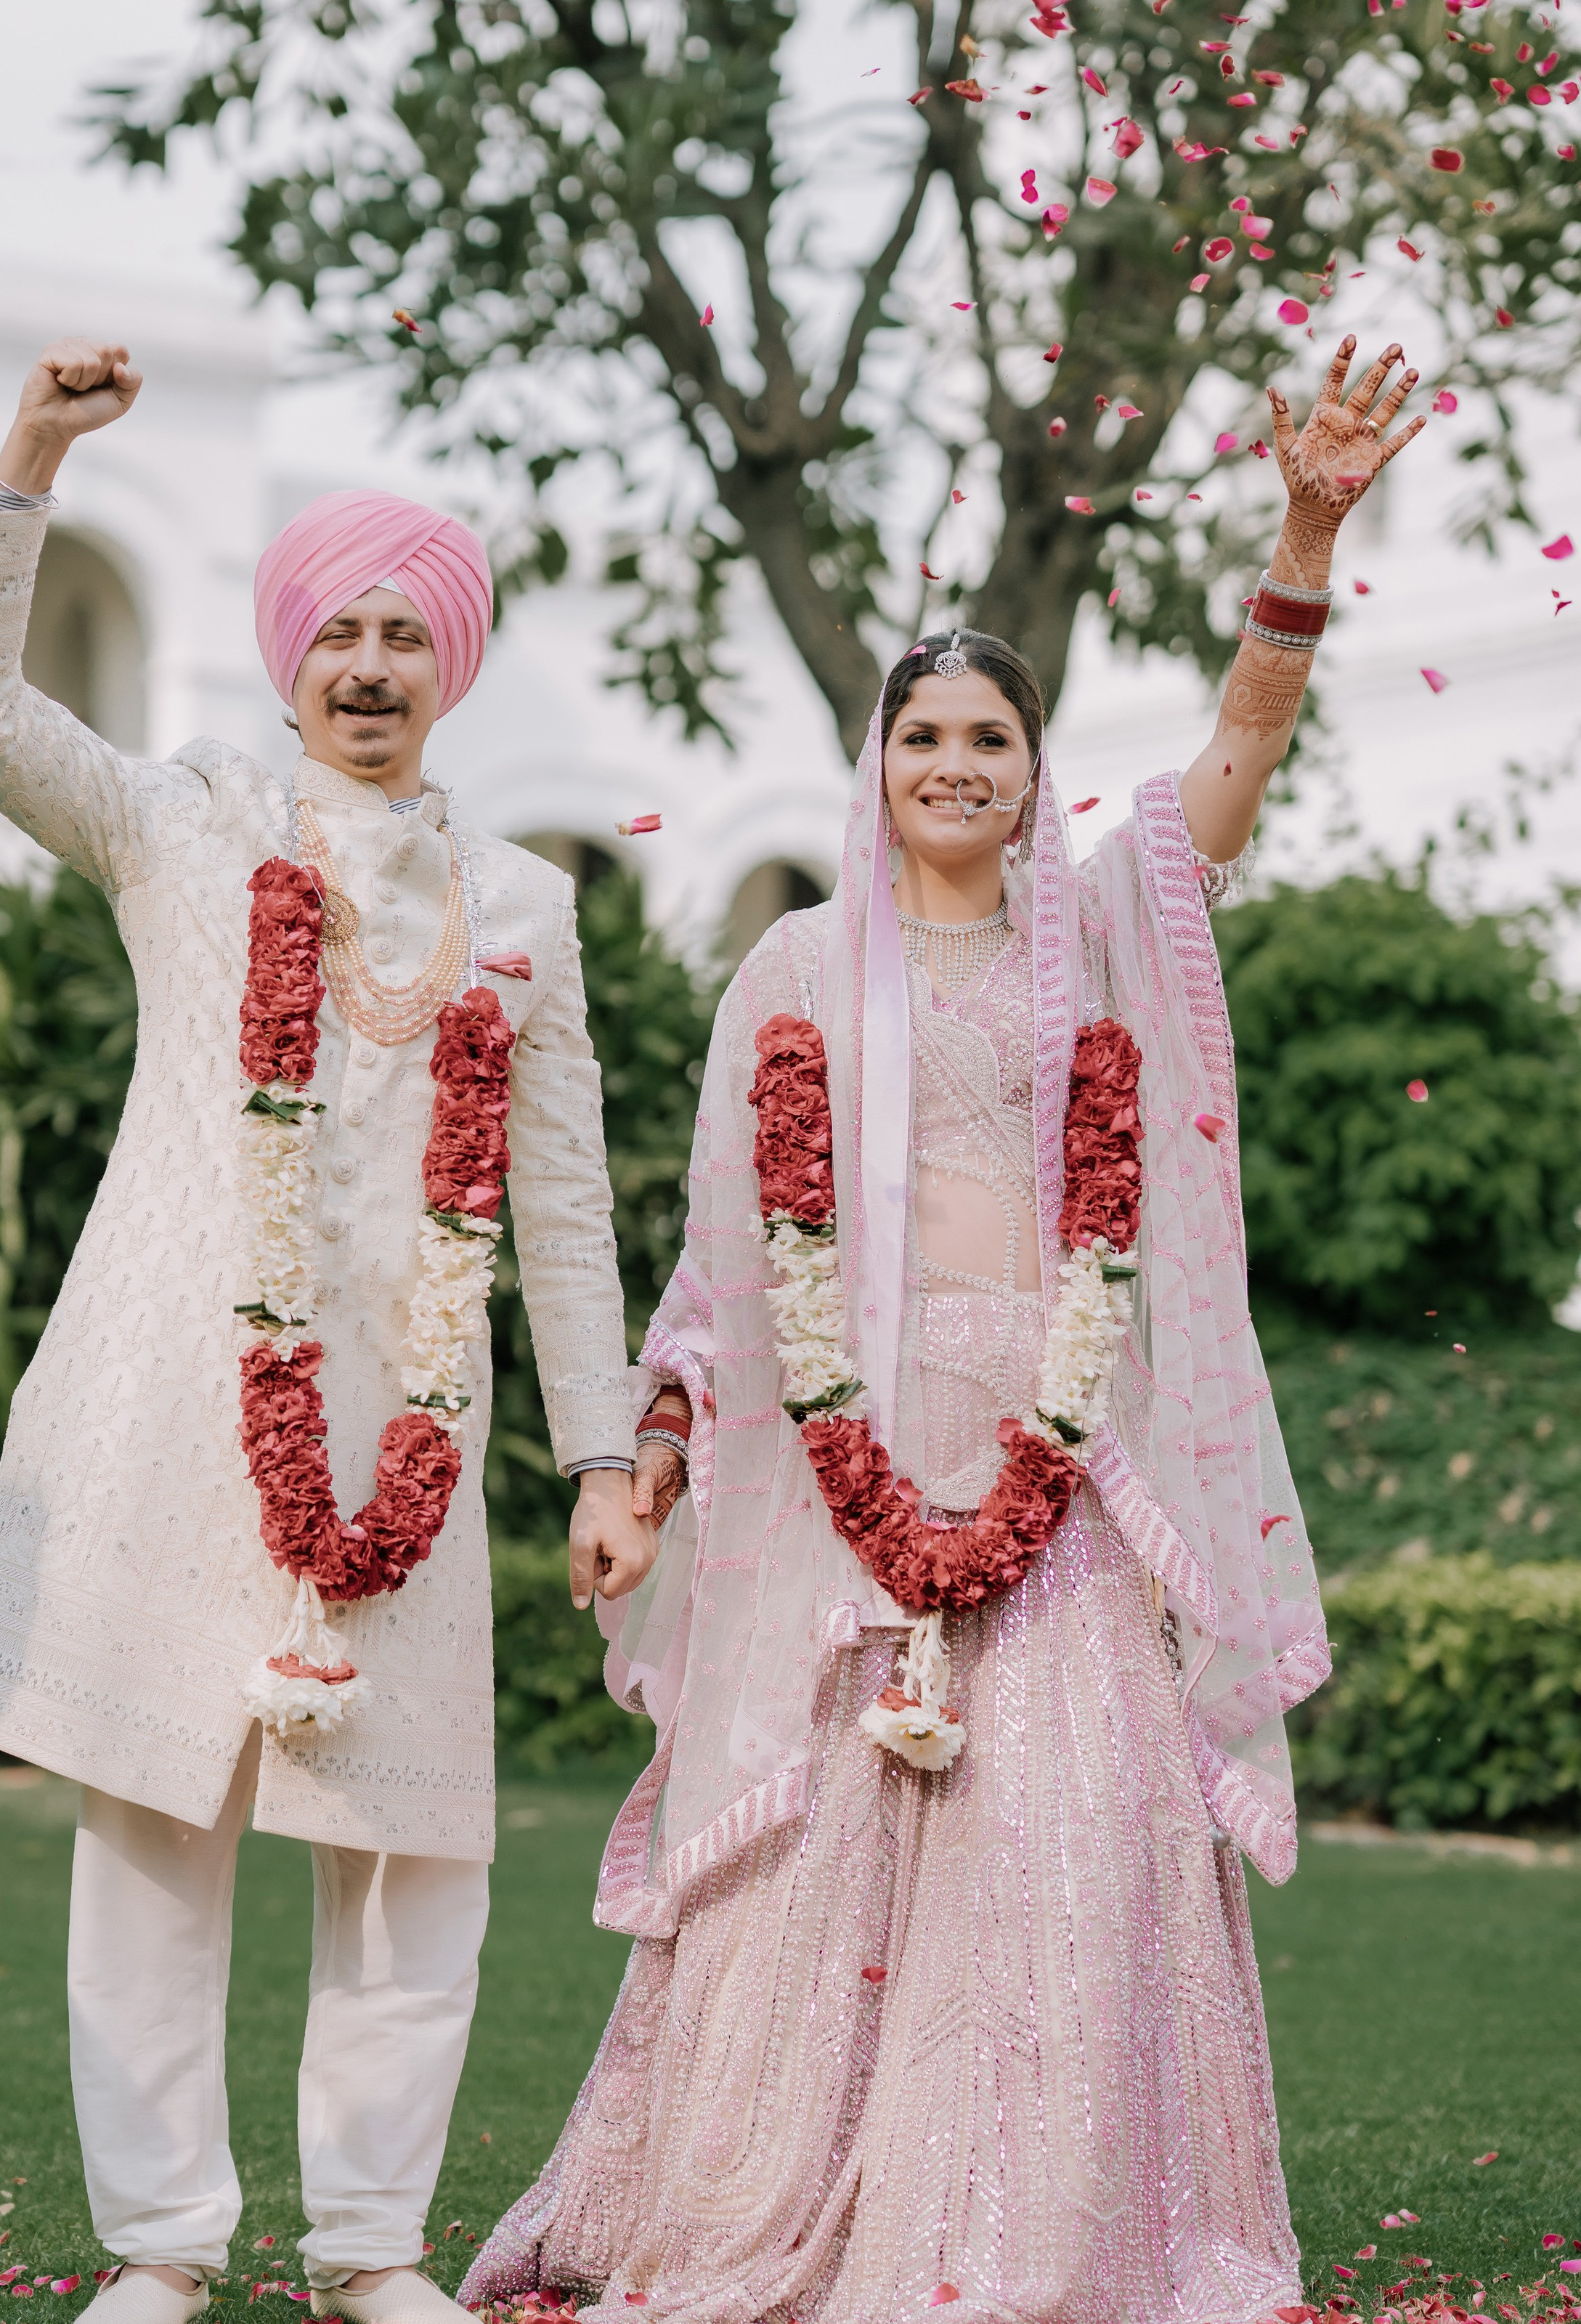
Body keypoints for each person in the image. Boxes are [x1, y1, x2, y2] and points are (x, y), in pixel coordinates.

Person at [463, 336, 1426, 2323]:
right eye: (926, 739)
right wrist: (652, 1467)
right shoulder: (800, 966)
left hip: (1058, 1467)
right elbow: (725, 1267)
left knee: (1073, 1844)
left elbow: (1233, 770)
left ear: (1031, 767)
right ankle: (798, 2205)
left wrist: (1305, 542)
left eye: (993, 739)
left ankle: (1052, 2230)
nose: (958, 768)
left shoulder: (1099, 928)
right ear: (877, 766)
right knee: (817, 1855)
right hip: (847, 1470)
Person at [0, 338, 657, 2324]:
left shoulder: (523, 905)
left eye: (409, 634)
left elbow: (564, 1201)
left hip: (405, 1437)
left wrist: (602, 1454)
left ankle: (368, 2255)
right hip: (181, 1408)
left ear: (453, 667)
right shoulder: (185, 827)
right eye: (340, 630)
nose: (372, 666)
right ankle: (161, 2249)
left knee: (413, 1860)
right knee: (155, 1832)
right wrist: (30, 455)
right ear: (287, 656)